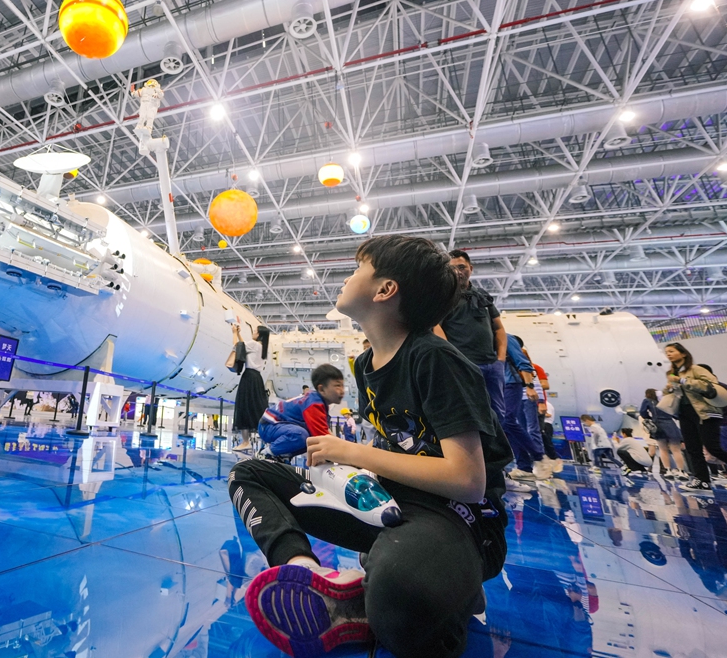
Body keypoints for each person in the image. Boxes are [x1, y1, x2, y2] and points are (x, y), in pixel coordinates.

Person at [230, 235, 511, 658]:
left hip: (456, 516)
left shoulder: (435, 359)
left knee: (401, 598)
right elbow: (390, 445)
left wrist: (352, 453)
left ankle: (437, 585)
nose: (347, 278)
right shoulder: (365, 365)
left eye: (358, 268)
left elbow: (469, 481)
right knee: (249, 473)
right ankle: (305, 572)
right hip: (387, 503)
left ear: (385, 290)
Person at [662, 344, 727, 496]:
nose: (668, 354)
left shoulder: (696, 369)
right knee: (693, 449)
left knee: (714, 449)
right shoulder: (672, 373)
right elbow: (671, 393)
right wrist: (669, 388)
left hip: (705, 412)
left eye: (672, 351)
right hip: (684, 413)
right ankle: (702, 480)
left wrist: (682, 380)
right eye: (666, 352)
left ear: (683, 353)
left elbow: (711, 386)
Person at [434, 249, 507, 424]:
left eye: (461, 267)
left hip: (492, 366)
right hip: (463, 365)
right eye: (452, 269)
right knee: (469, 414)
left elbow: (499, 328)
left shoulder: (482, 296)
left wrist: (500, 359)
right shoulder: (443, 297)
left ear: (470, 268)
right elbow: (436, 327)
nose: (457, 272)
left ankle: (496, 443)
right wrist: (453, 358)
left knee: (498, 415)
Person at [257, 364, 345, 458]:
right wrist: (346, 452)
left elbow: (326, 434)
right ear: (322, 389)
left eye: (342, 386)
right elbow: (323, 438)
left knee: (309, 439)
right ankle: (266, 453)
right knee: (301, 435)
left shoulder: (320, 403)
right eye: (337, 386)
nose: (342, 391)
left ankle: (282, 456)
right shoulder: (313, 404)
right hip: (268, 426)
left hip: (277, 426)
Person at [502, 334, 549, 481]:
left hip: (513, 386)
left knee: (510, 422)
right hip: (499, 386)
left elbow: (525, 366)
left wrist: (531, 388)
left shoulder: (506, 338)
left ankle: (539, 457)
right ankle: (524, 467)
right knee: (506, 427)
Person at [230, 321, 270, 451]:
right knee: (256, 408)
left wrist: (234, 333)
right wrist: (239, 334)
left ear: (259, 335)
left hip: (248, 377)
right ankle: (265, 439)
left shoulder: (254, 344)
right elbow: (244, 346)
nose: (253, 332)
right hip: (257, 378)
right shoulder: (262, 347)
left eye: (255, 331)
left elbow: (237, 347)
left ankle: (245, 442)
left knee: (243, 407)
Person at [640, 388, 685, 477]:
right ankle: (681, 471)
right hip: (670, 424)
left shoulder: (647, 401)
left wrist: (650, 418)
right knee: (676, 450)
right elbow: (675, 413)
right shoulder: (665, 400)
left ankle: (667, 470)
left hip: (658, 426)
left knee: (663, 449)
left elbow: (642, 412)